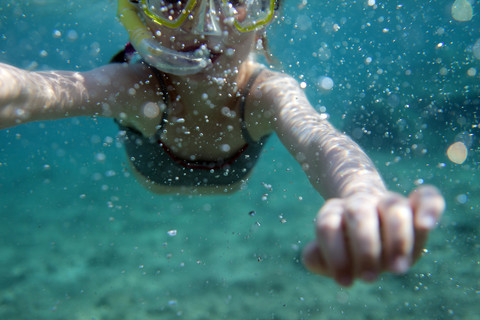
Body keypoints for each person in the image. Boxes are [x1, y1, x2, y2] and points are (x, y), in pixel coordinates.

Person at [0, 0, 445, 287]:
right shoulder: (135, 87)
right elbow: (33, 91)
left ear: (268, 13)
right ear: (136, 15)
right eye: (173, 1)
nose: (206, 26)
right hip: (155, 169)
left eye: (234, 0)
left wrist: (362, 194)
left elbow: (319, 139)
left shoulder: (267, 92)